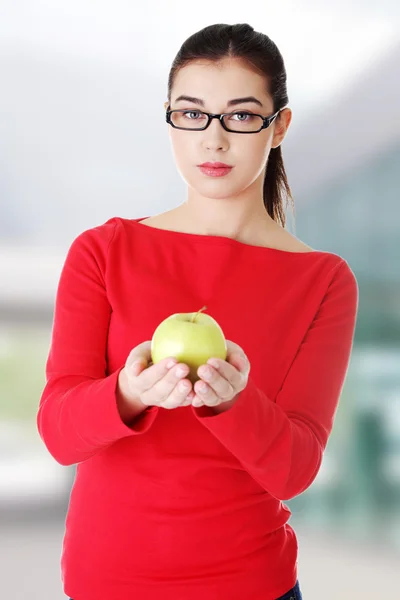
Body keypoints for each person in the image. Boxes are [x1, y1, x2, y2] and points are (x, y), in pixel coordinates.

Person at [37, 22, 359, 600]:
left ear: (279, 126)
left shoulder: (324, 279)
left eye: (240, 115)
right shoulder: (104, 251)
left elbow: (296, 469)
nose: (213, 140)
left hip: (252, 585)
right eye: (191, 114)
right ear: (170, 119)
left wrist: (234, 401)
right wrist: (129, 395)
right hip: (106, 583)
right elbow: (59, 433)